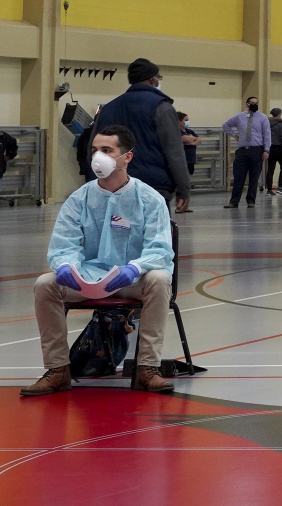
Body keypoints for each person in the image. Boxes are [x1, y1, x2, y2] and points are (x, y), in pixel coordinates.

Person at [21, 126, 177, 397]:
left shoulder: (150, 199)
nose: (98, 157)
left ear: (126, 157)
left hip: (132, 279)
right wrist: (66, 266)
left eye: (107, 151)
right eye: (95, 150)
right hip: (88, 277)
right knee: (46, 283)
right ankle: (57, 370)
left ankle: (147, 368)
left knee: (160, 279)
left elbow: (161, 250)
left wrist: (135, 268)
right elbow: (62, 244)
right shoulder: (79, 199)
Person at [91, 58, 193, 216]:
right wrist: (183, 189)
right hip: (153, 188)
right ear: (152, 79)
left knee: (119, 236)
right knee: (154, 237)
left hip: (115, 186)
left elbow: (93, 151)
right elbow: (174, 152)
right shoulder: (161, 107)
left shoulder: (109, 109)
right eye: (158, 78)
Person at [222, 96, 271, 208]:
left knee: (254, 177)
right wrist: (234, 135)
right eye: (252, 103)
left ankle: (251, 200)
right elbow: (226, 125)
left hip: (257, 150)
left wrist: (266, 150)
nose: (254, 104)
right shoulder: (239, 117)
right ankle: (234, 201)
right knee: (239, 176)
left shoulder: (262, 117)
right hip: (243, 150)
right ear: (247, 104)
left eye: (256, 103)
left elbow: (267, 134)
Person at [265, 107, 282, 195]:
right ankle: (280, 187)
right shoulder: (281, 124)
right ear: (279, 114)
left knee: (270, 169)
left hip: (270, 149)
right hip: (279, 149)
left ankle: (269, 189)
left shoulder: (267, 123)